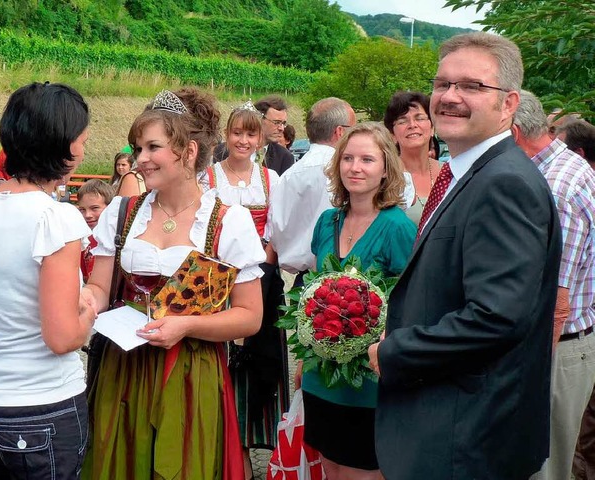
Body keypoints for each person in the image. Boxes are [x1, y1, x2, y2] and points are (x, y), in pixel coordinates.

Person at [368, 32, 562, 480]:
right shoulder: (466, 172)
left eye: (472, 86)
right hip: (450, 426)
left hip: (467, 437)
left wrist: (395, 351)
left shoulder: (505, 183)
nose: (449, 97)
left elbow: (496, 318)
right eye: (442, 84)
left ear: (508, 104)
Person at [82, 88, 265, 479]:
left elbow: (249, 317)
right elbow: (98, 288)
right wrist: (84, 301)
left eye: (152, 147)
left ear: (189, 151)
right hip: (124, 365)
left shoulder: (228, 220)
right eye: (137, 148)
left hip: (190, 370)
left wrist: (187, 324)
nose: (140, 160)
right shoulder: (123, 210)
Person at [0, 82, 96, 479]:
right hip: (40, 410)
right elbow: (63, 338)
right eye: (82, 140)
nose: (83, 149)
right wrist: (90, 309)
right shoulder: (54, 218)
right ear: (63, 146)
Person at [303, 122, 416, 480]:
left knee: (363, 473)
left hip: (369, 379)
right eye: (348, 158)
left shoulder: (397, 226)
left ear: (386, 169)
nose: (355, 167)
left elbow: (410, 301)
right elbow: (312, 289)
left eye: (367, 159)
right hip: (321, 375)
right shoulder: (327, 221)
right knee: (329, 468)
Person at [200, 101, 288, 479]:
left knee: (259, 358)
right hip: (216, 278)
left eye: (250, 133)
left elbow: (277, 232)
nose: (243, 140)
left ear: (260, 137)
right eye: (237, 132)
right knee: (219, 354)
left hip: (261, 281)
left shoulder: (271, 179)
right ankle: (221, 441)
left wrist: (259, 268)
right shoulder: (208, 177)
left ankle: (254, 438)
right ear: (226, 135)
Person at [512, 90, 595, 480]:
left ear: (512, 133)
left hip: (556, 348)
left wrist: (530, 369)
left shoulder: (555, 186)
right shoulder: (557, 166)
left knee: (544, 468)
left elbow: (557, 302)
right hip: (564, 345)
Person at [270, 97, 356, 281]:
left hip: (302, 279)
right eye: (353, 130)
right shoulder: (347, 171)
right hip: (342, 278)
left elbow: (276, 232)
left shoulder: (288, 176)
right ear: (340, 131)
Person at [384, 91, 442, 226]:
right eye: (402, 121)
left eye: (420, 118)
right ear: (393, 134)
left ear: (432, 127)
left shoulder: (449, 173)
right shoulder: (386, 177)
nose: (412, 125)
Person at [213, 95, 294, 175]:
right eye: (276, 122)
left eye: (283, 123)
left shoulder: (284, 157)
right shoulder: (220, 151)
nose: (281, 128)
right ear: (259, 119)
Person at [77, 179, 115, 282]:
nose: (87, 215)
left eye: (94, 208)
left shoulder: (117, 239)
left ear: (110, 207)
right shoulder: (83, 239)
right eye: (82, 210)